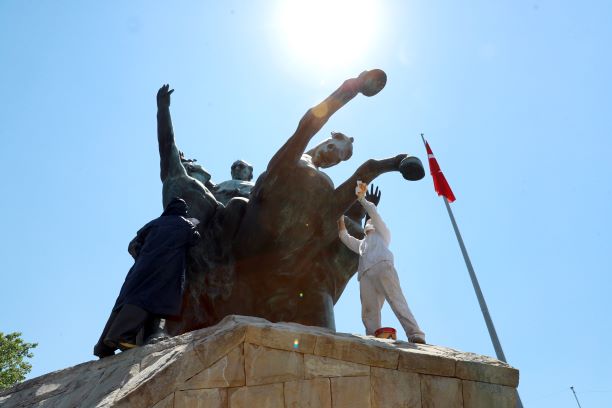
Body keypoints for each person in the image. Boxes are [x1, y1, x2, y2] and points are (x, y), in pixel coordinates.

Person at [93, 197, 201, 358]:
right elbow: (194, 238)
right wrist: (194, 223)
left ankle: (102, 347)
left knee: (124, 301)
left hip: (140, 267)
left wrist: (144, 256)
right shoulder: (184, 224)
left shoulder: (153, 223)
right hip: (164, 268)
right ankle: (121, 336)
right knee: (148, 299)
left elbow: (134, 244)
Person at [337, 182, 426, 344]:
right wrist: (339, 216)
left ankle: (415, 334)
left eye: (369, 223)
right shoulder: (362, 244)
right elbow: (344, 237)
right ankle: (373, 339)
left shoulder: (384, 234)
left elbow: (372, 213)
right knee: (369, 312)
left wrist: (362, 199)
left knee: (396, 300)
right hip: (365, 276)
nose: (367, 225)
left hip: (382, 267)